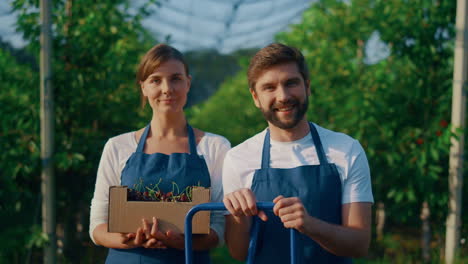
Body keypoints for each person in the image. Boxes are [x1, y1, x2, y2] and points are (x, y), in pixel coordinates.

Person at [222, 43, 374, 263]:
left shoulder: (346, 150)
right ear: (255, 97)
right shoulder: (238, 159)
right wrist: (239, 217)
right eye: (269, 87)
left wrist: (310, 225)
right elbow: (239, 254)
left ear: (307, 87)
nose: (283, 96)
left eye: (291, 83)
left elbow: (359, 243)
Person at [89, 43, 231, 264]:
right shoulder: (117, 146)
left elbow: (220, 227)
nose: (167, 89)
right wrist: (131, 239)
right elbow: (97, 226)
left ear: (188, 84)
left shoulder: (215, 147)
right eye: (156, 80)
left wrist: (181, 242)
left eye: (175, 79)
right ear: (143, 87)